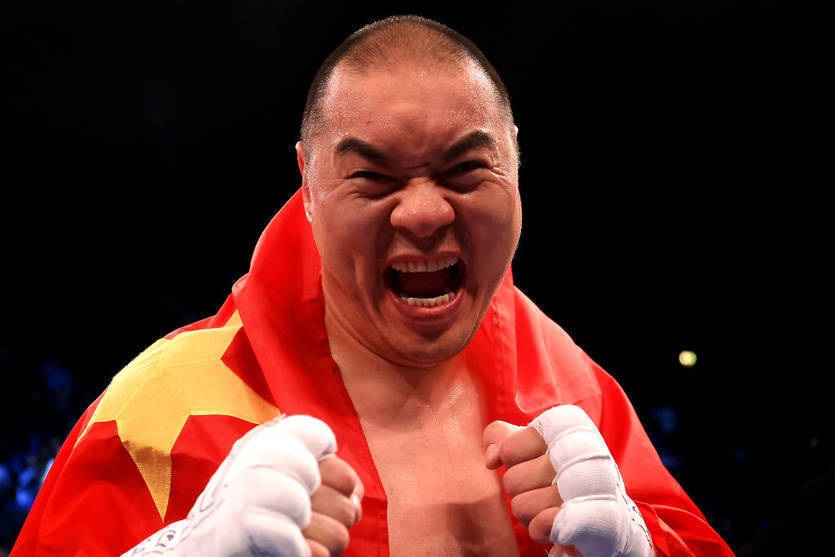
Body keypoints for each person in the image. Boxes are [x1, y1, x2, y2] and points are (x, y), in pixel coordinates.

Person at [10, 14, 734, 557]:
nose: (422, 212)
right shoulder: (164, 407)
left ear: (515, 164)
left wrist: (640, 547)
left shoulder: (577, 391)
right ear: (308, 183)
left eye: (464, 169)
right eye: (372, 176)